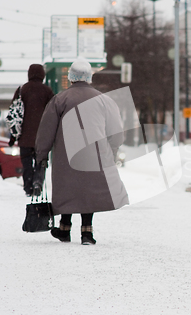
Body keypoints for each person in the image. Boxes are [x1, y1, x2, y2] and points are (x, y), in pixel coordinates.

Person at [35, 60, 129, 245]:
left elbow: (46, 130)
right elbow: (116, 131)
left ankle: (64, 228)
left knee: (68, 187)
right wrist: (112, 150)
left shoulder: (60, 99)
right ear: (89, 77)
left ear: (70, 77)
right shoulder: (104, 100)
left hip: (66, 154)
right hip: (95, 153)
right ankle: (87, 232)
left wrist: (41, 155)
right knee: (89, 188)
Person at [9, 64, 54, 197]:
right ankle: (38, 182)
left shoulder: (22, 90)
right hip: (42, 137)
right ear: (42, 74)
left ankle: (28, 187)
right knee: (41, 162)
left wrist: (13, 138)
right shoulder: (47, 91)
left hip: (25, 137)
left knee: (27, 164)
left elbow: (14, 115)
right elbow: (53, 113)